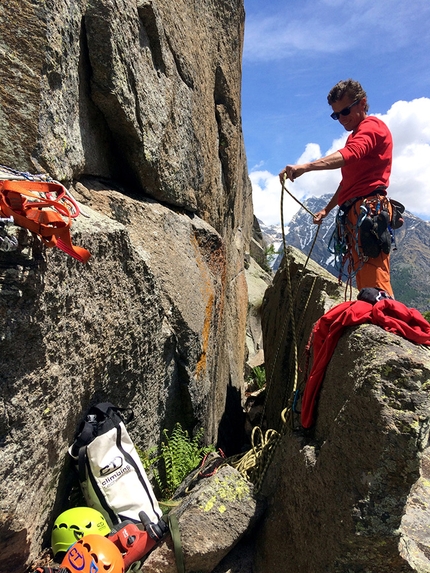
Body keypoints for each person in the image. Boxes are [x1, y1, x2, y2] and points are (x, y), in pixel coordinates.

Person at [279, 79, 394, 297]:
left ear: (363, 103)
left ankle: (385, 321)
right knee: (366, 281)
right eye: (336, 115)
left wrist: (306, 166)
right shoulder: (356, 135)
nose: (341, 119)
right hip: (358, 213)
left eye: (345, 111)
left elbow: (350, 154)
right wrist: (327, 209)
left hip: (368, 211)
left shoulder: (372, 127)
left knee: (375, 284)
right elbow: (347, 183)